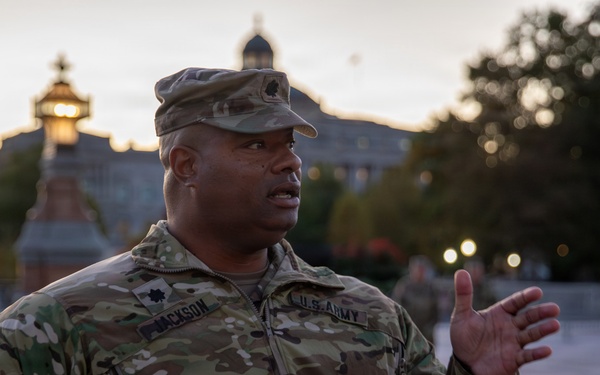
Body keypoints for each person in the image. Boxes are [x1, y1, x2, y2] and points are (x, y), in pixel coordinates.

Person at [0, 67, 560, 375]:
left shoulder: (374, 316)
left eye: (289, 144)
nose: (290, 161)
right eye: (256, 145)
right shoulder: (57, 326)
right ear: (185, 164)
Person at [390, 255, 439, 344]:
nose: (419, 272)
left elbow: (436, 310)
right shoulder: (404, 286)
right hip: (408, 332)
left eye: (422, 270)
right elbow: (396, 307)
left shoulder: (430, 288)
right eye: (417, 269)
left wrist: (430, 327)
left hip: (426, 333)